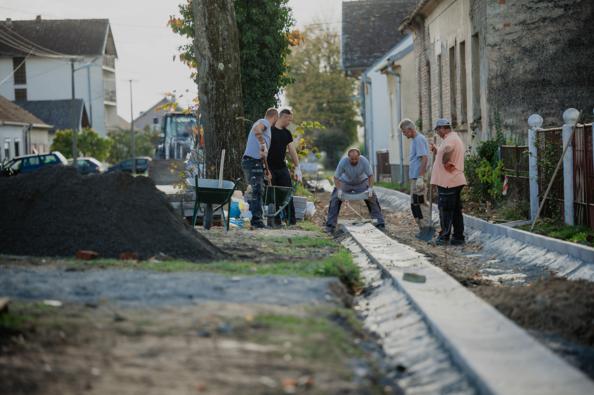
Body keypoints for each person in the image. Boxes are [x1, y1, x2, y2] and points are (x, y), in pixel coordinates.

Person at [325, 148, 385, 233]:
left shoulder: (364, 161)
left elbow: (370, 176)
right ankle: (330, 226)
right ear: (348, 157)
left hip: (361, 182)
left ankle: (380, 223)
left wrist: (370, 188)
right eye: (352, 159)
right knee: (335, 197)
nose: (354, 161)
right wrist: (339, 190)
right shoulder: (343, 162)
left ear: (359, 157)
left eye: (356, 159)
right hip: (345, 182)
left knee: (372, 197)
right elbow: (336, 177)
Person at [429, 118, 467, 245]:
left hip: (448, 182)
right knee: (455, 210)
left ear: (443, 128)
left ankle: (444, 237)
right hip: (454, 180)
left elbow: (448, 149)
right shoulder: (452, 138)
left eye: (437, 130)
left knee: (445, 210)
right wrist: (437, 149)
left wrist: (446, 162)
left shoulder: (450, 140)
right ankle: (458, 237)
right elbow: (446, 149)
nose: (437, 133)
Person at [241, 108, 279, 229]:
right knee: (257, 190)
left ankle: (254, 219)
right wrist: (263, 143)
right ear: (275, 117)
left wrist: (266, 170)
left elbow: (262, 154)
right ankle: (257, 222)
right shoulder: (265, 122)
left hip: (254, 161)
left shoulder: (265, 126)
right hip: (252, 161)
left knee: (257, 190)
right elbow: (256, 129)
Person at [268, 109, 302, 225]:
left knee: (288, 193)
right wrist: (264, 168)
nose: (290, 122)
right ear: (283, 117)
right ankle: (276, 220)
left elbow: (292, 150)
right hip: (270, 167)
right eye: (289, 119)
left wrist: (297, 167)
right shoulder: (270, 131)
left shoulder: (287, 133)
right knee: (273, 195)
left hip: (282, 168)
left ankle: (291, 220)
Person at [399, 119, 431, 237]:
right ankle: (422, 229)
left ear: (410, 129)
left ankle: (427, 230)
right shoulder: (414, 140)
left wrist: (421, 177)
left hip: (419, 178)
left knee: (420, 203)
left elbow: (424, 158)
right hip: (415, 178)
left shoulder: (419, 140)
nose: (403, 134)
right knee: (415, 204)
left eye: (404, 132)